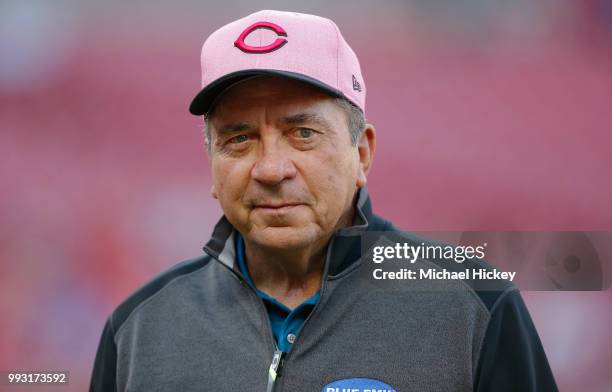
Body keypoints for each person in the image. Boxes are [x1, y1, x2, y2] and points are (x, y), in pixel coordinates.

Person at [90, 10, 558, 392]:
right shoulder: (137, 329)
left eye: (303, 133)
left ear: (362, 154)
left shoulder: (475, 306)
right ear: (211, 164)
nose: (271, 168)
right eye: (239, 138)